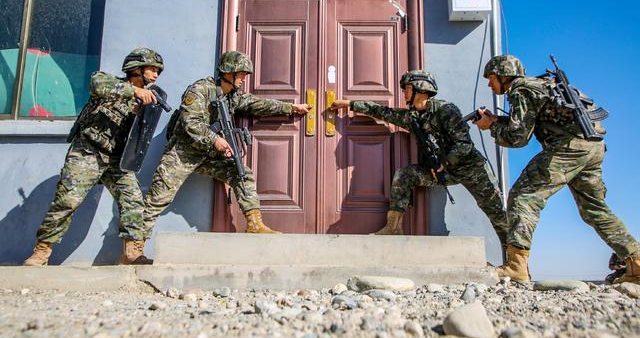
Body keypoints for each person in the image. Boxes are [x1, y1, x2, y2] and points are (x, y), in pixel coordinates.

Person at [475, 54, 640, 284]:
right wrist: (496, 122)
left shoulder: (521, 89)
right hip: (593, 147)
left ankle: (516, 266)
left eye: (491, 78)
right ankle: (636, 263)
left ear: (504, 76)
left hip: (569, 147)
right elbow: (527, 125)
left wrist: (490, 126)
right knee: (594, 209)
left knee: (524, 196)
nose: (489, 84)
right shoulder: (540, 85)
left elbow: (517, 137)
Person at [331, 70, 508, 249]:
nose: (404, 93)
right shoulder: (412, 117)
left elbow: (464, 145)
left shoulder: (446, 110)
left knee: (498, 214)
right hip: (443, 172)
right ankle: (393, 228)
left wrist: (443, 163)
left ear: (421, 89)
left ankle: (516, 262)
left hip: (472, 170)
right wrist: (350, 104)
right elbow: (381, 112)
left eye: (407, 88)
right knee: (404, 175)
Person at [142, 50, 309, 234]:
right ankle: (134, 247)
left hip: (209, 156)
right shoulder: (200, 90)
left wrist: (291, 107)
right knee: (158, 197)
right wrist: (215, 139)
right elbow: (190, 122)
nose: (244, 78)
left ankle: (254, 224)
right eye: (242, 73)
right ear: (229, 72)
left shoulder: (232, 96)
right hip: (183, 154)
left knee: (241, 173)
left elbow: (256, 104)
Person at [24, 48, 163, 266]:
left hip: (118, 159)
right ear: (136, 68)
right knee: (68, 200)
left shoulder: (146, 101)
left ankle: (132, 252)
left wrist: (141, 111)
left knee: (133, 201)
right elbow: (97, 86)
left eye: (158, 71)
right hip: (88, 152)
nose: (155, 75)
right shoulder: (106, 81)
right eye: (152, 69)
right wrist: (133, 92)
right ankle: (42, 251)